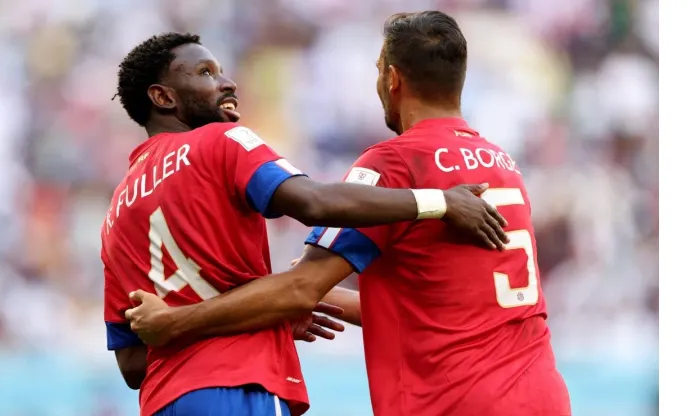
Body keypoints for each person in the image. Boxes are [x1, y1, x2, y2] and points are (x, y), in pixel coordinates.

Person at [124, 12, 572, 416]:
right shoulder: (501, 164)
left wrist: (175, 321)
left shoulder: (394, 163)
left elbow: (301, 285)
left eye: (378, 71)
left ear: (393, 79)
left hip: (457, 400)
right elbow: (446, 308)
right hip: (544, 394)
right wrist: (305, 300)